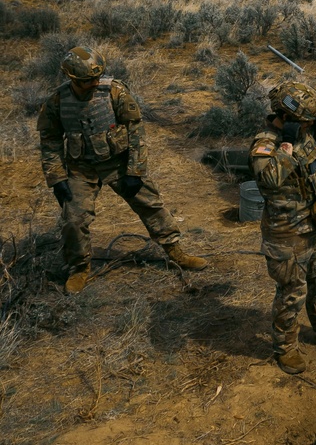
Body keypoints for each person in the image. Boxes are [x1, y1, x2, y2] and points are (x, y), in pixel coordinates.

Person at [38, 46, 208, 293]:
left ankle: (175, 251)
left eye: (97, 77)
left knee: (151, 205)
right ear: (72, 78)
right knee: (73, 220)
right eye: (87, 80)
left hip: (118, 163)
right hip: (82, 169)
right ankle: (79, 268)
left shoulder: (114, 91)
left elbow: (136, 132)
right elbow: (50, 141)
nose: (95, 83)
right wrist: (56, 178)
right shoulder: (57, 101)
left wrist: (135, 171)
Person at [249, 79, 316, 375]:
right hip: (288, 233)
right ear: (286, 118)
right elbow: (267, 180)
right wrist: (286, 146)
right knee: (292, 293)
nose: (308, 128)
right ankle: (286, 348)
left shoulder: (304, 130)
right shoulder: (266, 142)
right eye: (304, 123)